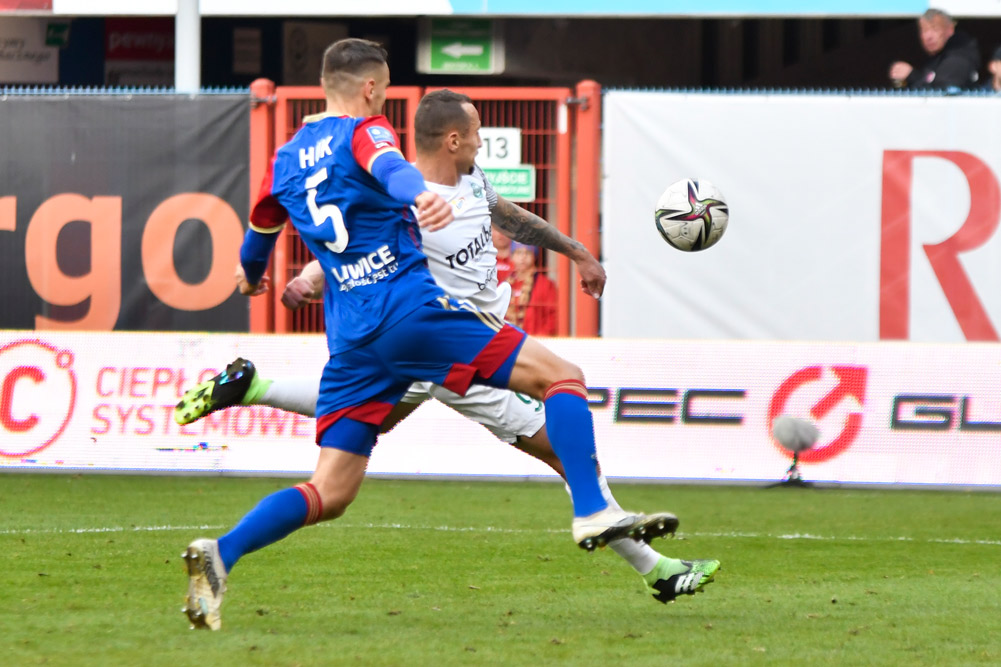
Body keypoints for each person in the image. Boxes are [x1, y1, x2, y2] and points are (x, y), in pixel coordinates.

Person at [179, 39, 707, 631]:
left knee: (330, 491)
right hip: (414, 316)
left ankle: (221, 552)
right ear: (372, 88)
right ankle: (597, 518)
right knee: (563, 378)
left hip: (355, 340)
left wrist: (251, 276)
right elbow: (389, 165)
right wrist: (419, 196)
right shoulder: (368, 131)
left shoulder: (285, 159)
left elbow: (261, 226)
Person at [889, 8, 980, 90]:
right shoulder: (938, 58)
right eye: (924, 30)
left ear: (950, 30)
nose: (928, 36)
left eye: (934, 29)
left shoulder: (958, 58)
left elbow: (941, 96)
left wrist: (912, 75)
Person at [505, 242, 558, 336]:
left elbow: (553, 317)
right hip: (509, 341)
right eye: (518, 252)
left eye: (528, 253)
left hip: (538, 341)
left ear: (535, 256)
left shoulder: (545, 284)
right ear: (511, 256)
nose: (523, 257)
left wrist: (542, 338)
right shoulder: (505, 284)